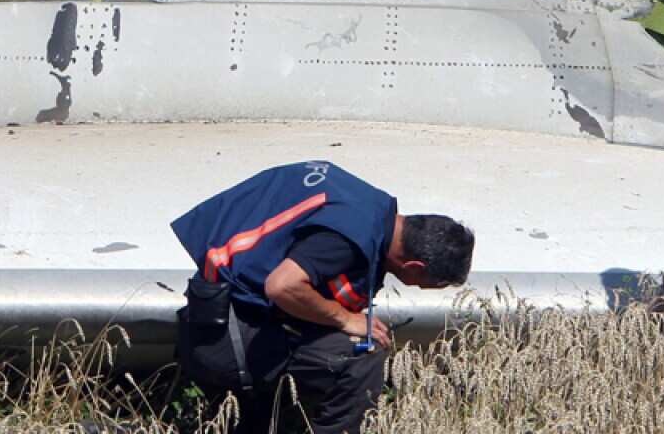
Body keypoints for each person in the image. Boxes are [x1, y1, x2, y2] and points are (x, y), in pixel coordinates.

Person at [170, 161, 474, 434]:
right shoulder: (348, 239)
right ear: (414, 267)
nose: (421, 290)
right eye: (431, 284)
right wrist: (345, 318)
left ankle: (263, 418)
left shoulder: (371, 208)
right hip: (224, 339)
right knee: (362, 354)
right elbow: (281, 286)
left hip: (218, 307)